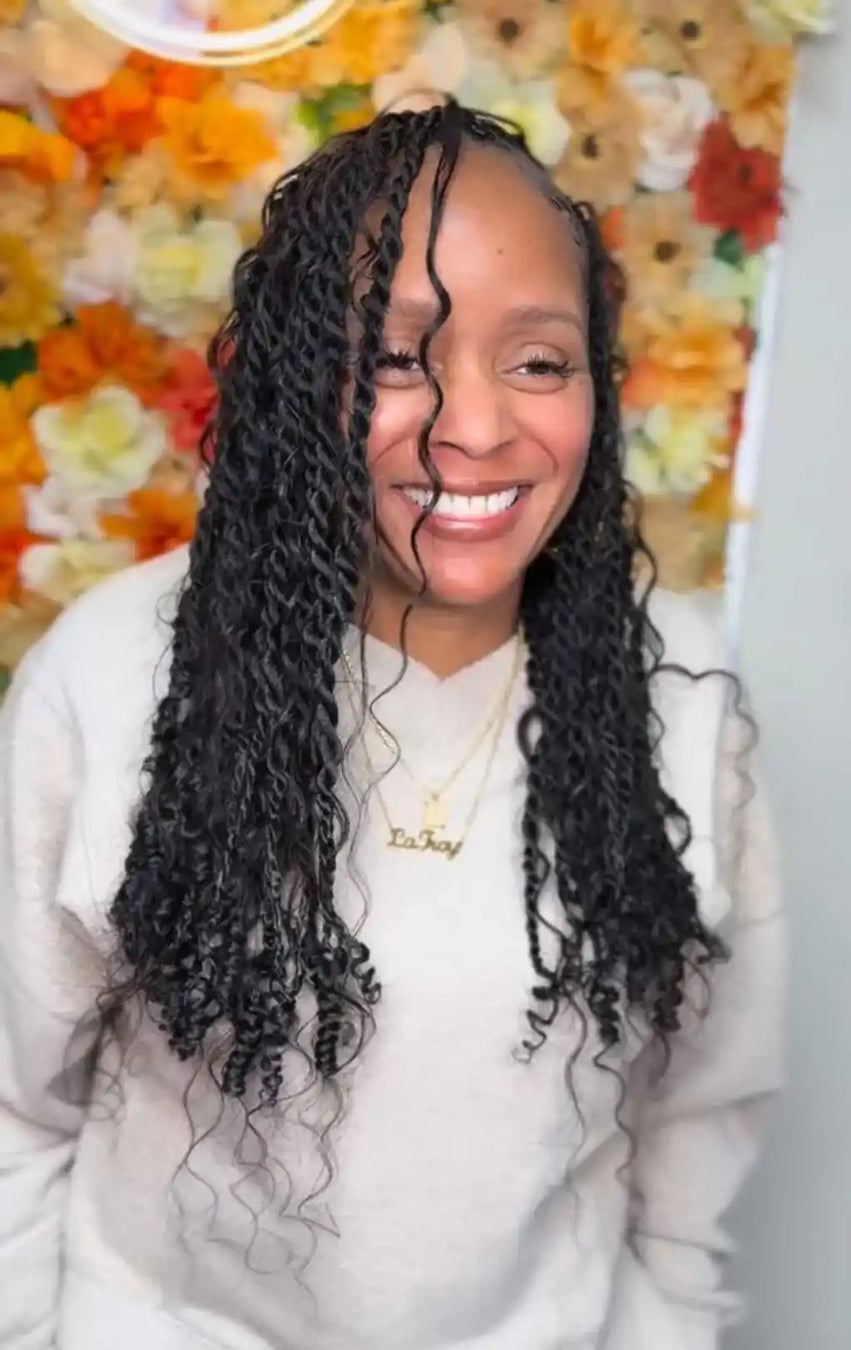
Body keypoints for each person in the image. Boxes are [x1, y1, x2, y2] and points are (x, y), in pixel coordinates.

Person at [0, 103, 785, 1350]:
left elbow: (698, 1115)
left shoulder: (680, 696)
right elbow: (13, 1111)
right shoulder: (110, 672)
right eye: (395, 357)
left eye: (537, 361)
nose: (474, 430)